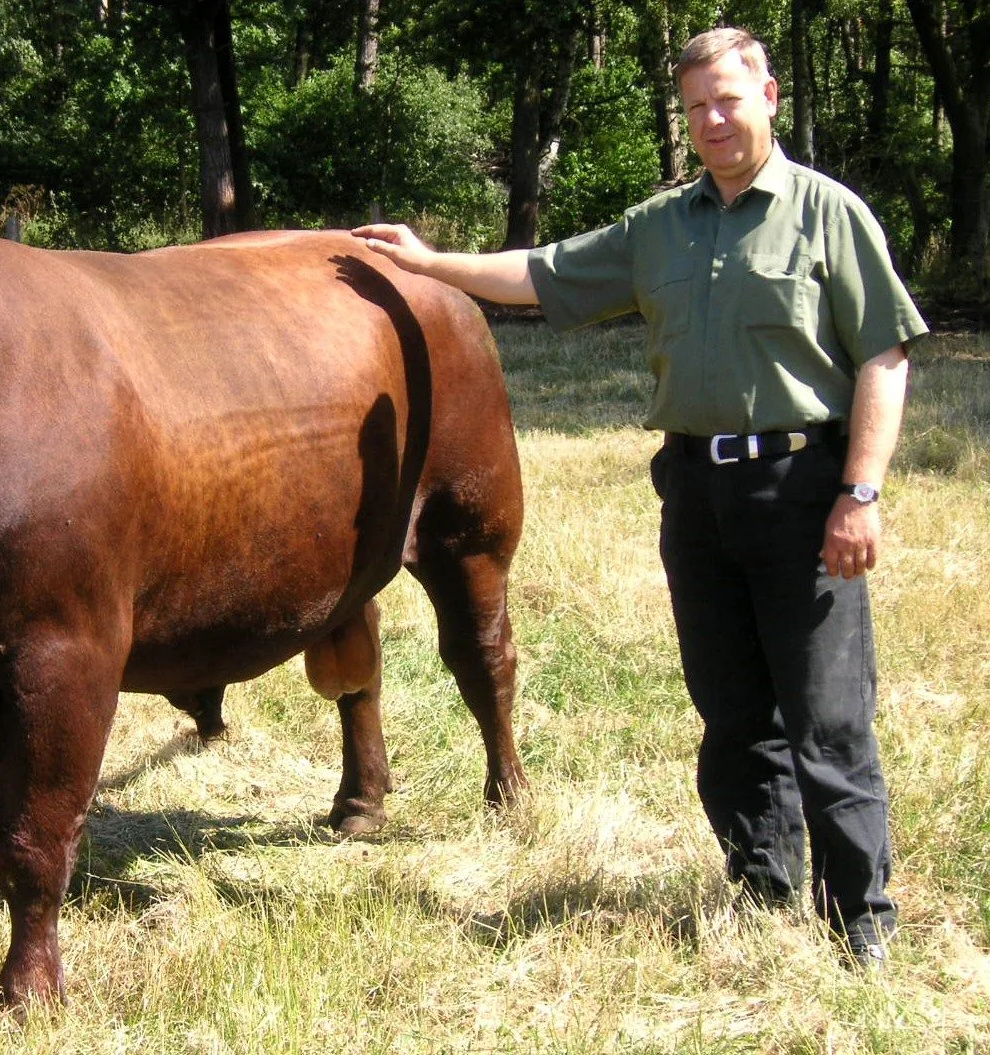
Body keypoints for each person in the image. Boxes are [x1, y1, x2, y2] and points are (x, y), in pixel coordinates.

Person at [355, 26, 927, 967]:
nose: (710, 119)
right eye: (695, 105)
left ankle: (858, 913)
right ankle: (761, 880)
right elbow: (541, 275)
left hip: (801, 487)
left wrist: (859, 491)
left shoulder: (828, 213)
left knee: (824, 713)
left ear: (769, 98)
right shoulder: (661, 225)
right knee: (730, 705)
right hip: (695, 492)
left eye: (727, 100)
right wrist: (428, 264)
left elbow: (883, 355)